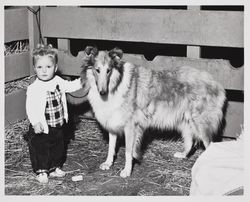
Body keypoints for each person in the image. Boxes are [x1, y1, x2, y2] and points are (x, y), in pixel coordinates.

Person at [25, 44, 83, 183]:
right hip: (42, 126)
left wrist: (84, 80)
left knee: (58, 147)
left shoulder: (58, 81)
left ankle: (54, 167)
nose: (44, 71)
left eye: (48, 67)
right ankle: (42, 170)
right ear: (34, 68)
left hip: (57, 124)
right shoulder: (34, 88)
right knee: (41, 148)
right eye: (39, 67)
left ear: (55, 68)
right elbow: (30, 108)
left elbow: (70, 86)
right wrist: (35, 123)